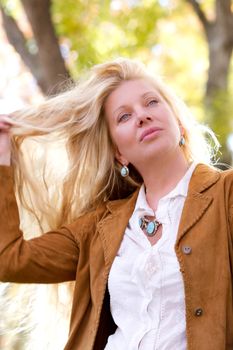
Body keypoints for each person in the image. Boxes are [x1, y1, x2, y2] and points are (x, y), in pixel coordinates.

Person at [0, 57, 232, 350]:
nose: (142, 116)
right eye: (124, 117)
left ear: (180, 124)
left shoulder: (226, 195)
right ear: (118, 153)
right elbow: (9, 259)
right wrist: (2, 155)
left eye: (151, 103)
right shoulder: (99, 228)